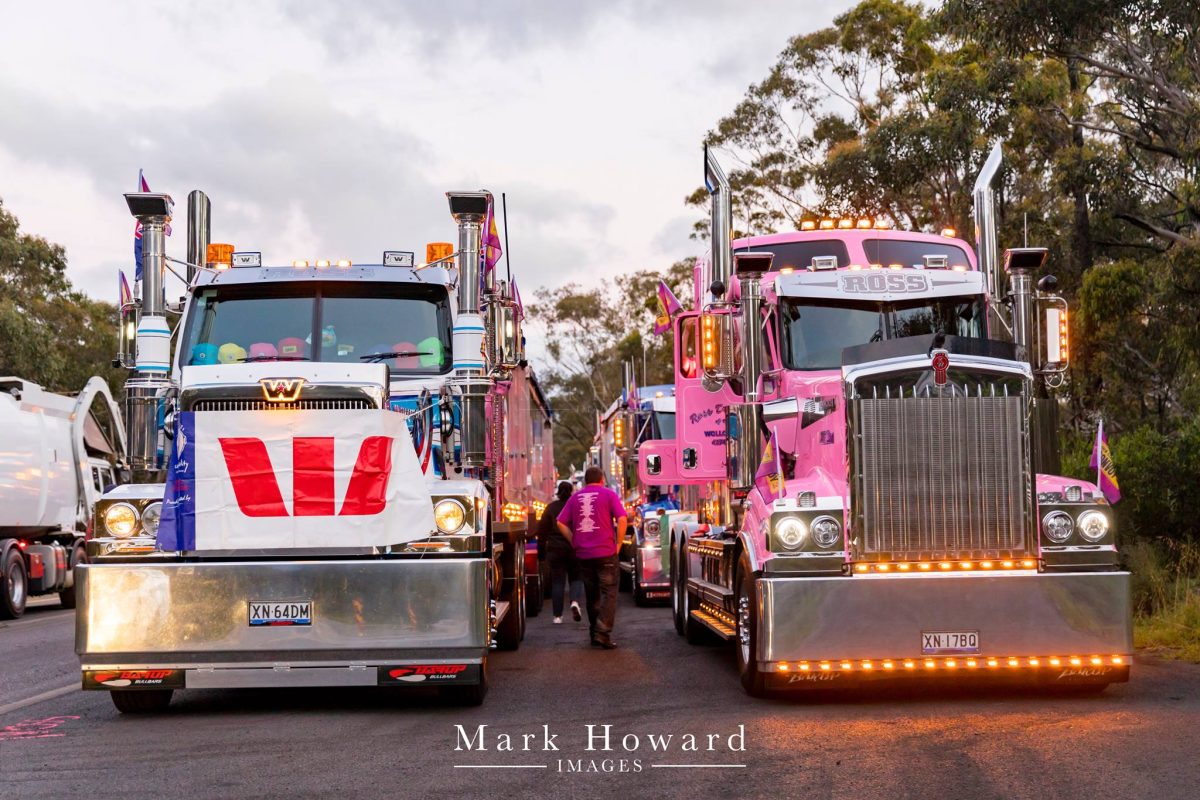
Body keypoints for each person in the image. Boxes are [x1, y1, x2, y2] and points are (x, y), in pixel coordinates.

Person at [557, 466, 627, 649]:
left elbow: (560, 522)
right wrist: (618, 543)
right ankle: (602, 632)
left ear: (586, 481)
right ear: (602, 479)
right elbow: (622, 519)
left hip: (583, 554)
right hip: (606, 552)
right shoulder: (609, 495)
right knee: (609, 593)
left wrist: (574, 540)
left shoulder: (575, 498)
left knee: (592, 594)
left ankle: (593, 632)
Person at [537, 481, 584, 624]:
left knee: (557, 582)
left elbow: (542, 532)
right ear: (571, 491)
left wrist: (541, 554)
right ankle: (574, 601)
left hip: (555, 550)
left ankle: (557, 616)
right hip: (574, 548)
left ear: (558, 491)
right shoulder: (577, 506)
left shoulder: (550, 508)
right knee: (576, 577)